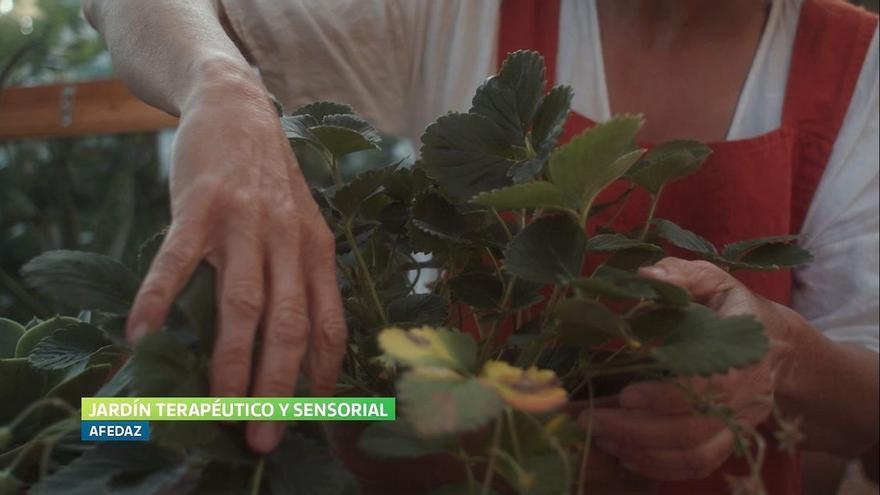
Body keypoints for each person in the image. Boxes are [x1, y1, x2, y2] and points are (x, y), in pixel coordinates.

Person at [83, 0, 879, 493]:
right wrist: (219, 85)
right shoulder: (457, 7)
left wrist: (782, 359)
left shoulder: (856, 68)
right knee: (115, 422)